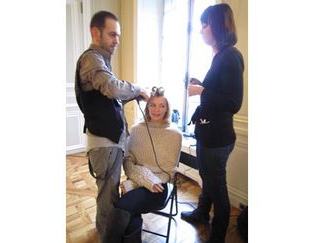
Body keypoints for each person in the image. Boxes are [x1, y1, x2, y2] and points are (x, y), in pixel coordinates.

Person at [74, 10, 149, 241]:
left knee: (106, 194)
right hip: (105, 145)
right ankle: (109, 237)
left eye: (118, 35)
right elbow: (114, 88)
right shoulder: (92, 59)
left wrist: (135, 95)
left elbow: (111, 97)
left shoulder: (101, 62)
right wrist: (137, 88)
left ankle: (103, 230)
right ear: (95, 32)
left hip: (108, 144)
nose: (117, 40)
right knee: (109, 198)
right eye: (112, 34)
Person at [181, 3, 244, 243]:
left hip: (218, 138)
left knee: (218, 187)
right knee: (208, 179)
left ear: (217, 25)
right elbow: (220, 91)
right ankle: (200, 213)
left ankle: (217, 235)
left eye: (204, 25)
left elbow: (233, 102)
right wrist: (203, 85)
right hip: (210, 134)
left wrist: (201, 90)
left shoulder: (231, 56)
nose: (201, 30)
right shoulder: (221, 55)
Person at [102, 87, 182, 243]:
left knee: (122, 206)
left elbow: (168, 172)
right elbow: (128, 161)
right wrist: (139, 181)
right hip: (139, 182)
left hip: (159, 187)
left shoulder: (175, 134)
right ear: (147, 107)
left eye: (161, 105)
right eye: (152, 105)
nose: (157, 109)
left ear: (167, 109)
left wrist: (136, 183)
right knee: (130, 211)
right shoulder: (137, 129)